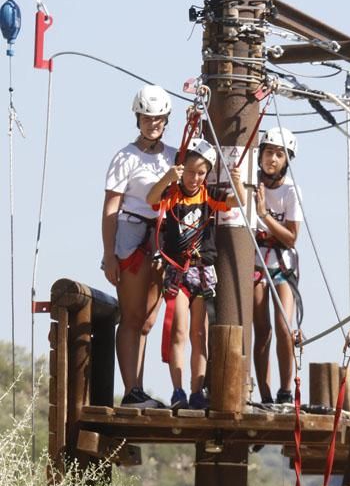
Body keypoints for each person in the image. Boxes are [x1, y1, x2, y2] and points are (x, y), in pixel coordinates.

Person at [147, 139, 246, 411]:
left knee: (198, 334)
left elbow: (238, 202)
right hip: (179, 270)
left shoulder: (208, 195)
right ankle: (178, 390)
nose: (194, 178)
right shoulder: (173, 193)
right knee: (178, 330)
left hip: (202, 271)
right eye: (190, 172)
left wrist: (237, 182)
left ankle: (196, 390)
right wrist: (169, 177)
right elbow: (152, 199)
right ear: (182, 170)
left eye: (200, 173)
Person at [102, 85, 175, 408]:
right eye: (147, 118)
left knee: (147, 319)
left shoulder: (174, 156)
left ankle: (139, 389)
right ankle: (131, 390)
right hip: (131, 232)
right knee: (132, 316)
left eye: (158, 119)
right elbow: (110, 209)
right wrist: (109, 255)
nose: (153, 124)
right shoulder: (126, 157)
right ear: (139, 119)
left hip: (159, 234)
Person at [253, 127, 303, 406]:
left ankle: (286, 390)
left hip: (282, 263)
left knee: (284, 325)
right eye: (269, 152)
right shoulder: (252, 183)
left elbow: (292, 236)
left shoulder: (290, 191)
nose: (272, 159)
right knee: (262, 329)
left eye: (279, 154)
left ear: (286, 160)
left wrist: (264, 216)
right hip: (257, 263)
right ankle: (265, 393)